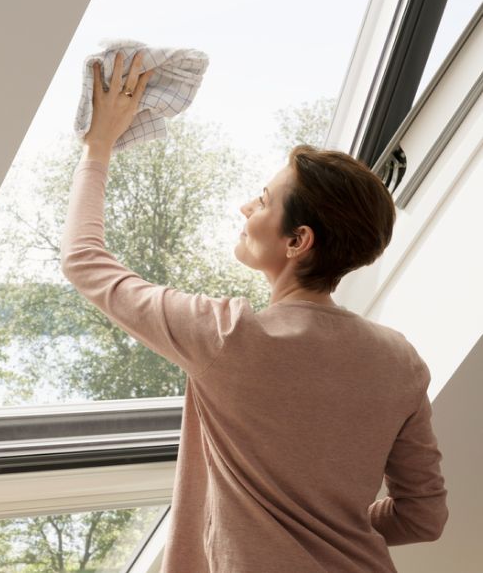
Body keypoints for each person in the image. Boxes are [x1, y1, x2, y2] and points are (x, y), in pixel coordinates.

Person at [60, 50, 448, 572]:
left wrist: (98, 146)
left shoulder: (226, 336)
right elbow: (423, 519)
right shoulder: (400, 360)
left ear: (297, 240)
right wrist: (334, 528)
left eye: (264, 201)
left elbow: (85, 262)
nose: (247, 207)